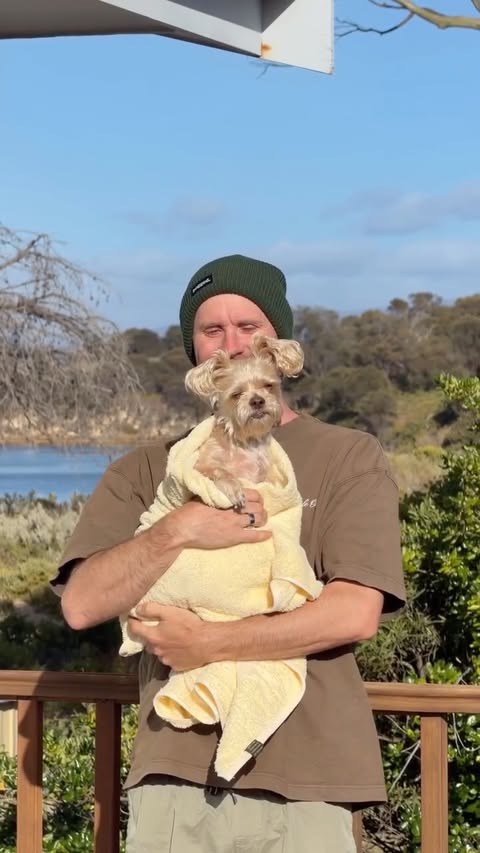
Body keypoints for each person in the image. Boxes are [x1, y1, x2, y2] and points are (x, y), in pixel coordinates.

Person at [51, 253, 406, 853]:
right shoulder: (147, 470)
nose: (233, 341)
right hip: (177, 773)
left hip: (309, 774)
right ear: (197, 355)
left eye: (249, 325)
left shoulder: (349, 456)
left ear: (281, 343)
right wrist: (177, 528)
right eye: (211, 329)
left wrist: (210, 643)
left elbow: (354, 613)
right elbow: (82, 604)